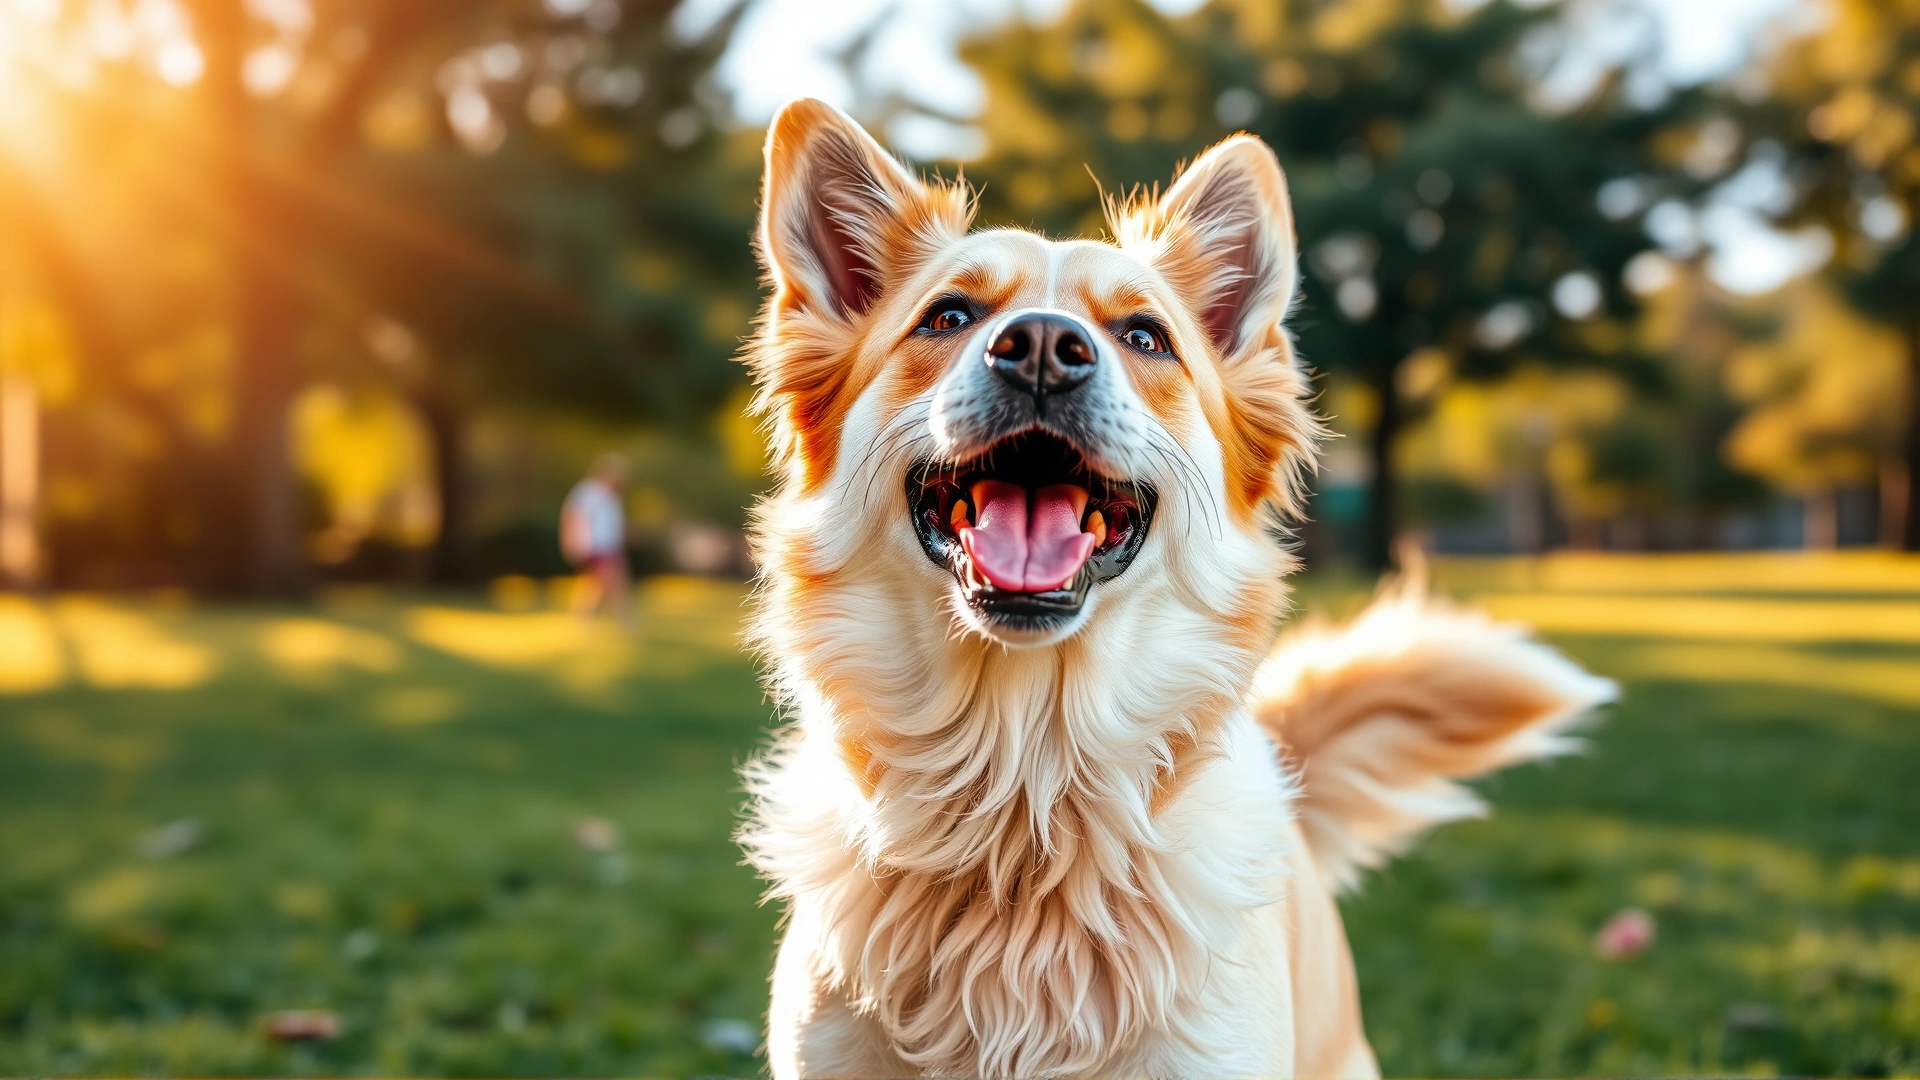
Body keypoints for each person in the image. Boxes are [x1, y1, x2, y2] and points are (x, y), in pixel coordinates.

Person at [561, 453, 632, 626]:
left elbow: (612, 524)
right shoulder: (588, 491)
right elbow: (572, 516)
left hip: (610, 546)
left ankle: (584, 620)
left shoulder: (613, 497)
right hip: (594, 546)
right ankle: (625, 621)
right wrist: (570, 541)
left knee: (595, 586)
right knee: (614, 581)